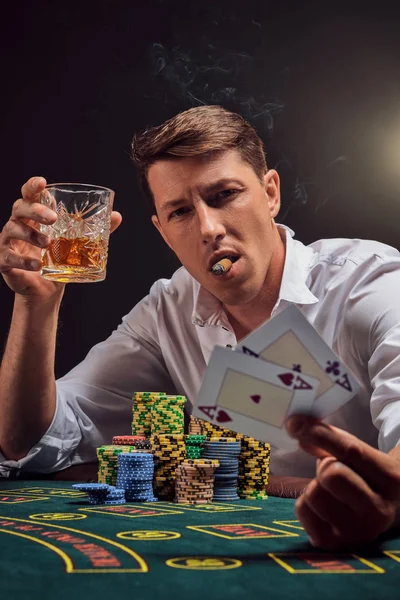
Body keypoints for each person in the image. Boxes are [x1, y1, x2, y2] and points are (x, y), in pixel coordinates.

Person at [1, 105, 400, 549]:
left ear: (270, 193)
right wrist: (34, 306)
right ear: (162, 232)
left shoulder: (370, 285)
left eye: (224, 195)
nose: (209, 228)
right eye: (179, 212)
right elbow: (29, 442)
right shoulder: (165, 313)